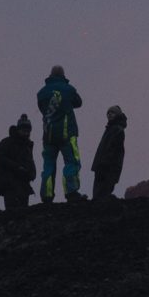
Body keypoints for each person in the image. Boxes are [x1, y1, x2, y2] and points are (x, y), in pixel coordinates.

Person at [37, 65, 85, 203]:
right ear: (63, 75)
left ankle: (46, 195)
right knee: (71, 162)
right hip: (67, 134)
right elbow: (79, 102)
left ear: (50, 75)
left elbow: (42, 108)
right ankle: (71, 192)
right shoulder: (69, 89)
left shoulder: (41, 93)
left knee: (48, 165)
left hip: (48, 135)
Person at [0, 114, 37, 212]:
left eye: (28, 130)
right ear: (18, 129)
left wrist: (32, 173)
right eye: (23, 129)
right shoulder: (7, 142)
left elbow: (30, 162)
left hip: (23, 184)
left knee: (24, 211)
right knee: (12, 210)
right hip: (9, 182)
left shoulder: (27, 147)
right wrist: (16, 167)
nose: (26, 132)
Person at [90, 106, 128, 200]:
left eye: (112, 112)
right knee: (99, 195)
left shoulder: (117, 130)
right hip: (103, 167)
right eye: (108, 113)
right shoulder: (111, 129)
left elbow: (114, 150)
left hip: (108, 168)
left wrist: (103, 164)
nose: (109, 114)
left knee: (101, 195)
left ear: (117, 115)